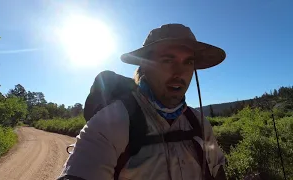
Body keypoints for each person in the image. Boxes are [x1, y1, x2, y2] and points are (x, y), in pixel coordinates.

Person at [58, 23, 227, 180]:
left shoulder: (199, 123)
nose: (179, 72)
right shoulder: (109, 124)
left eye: (188, 62)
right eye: (168, 60)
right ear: (145, 66)